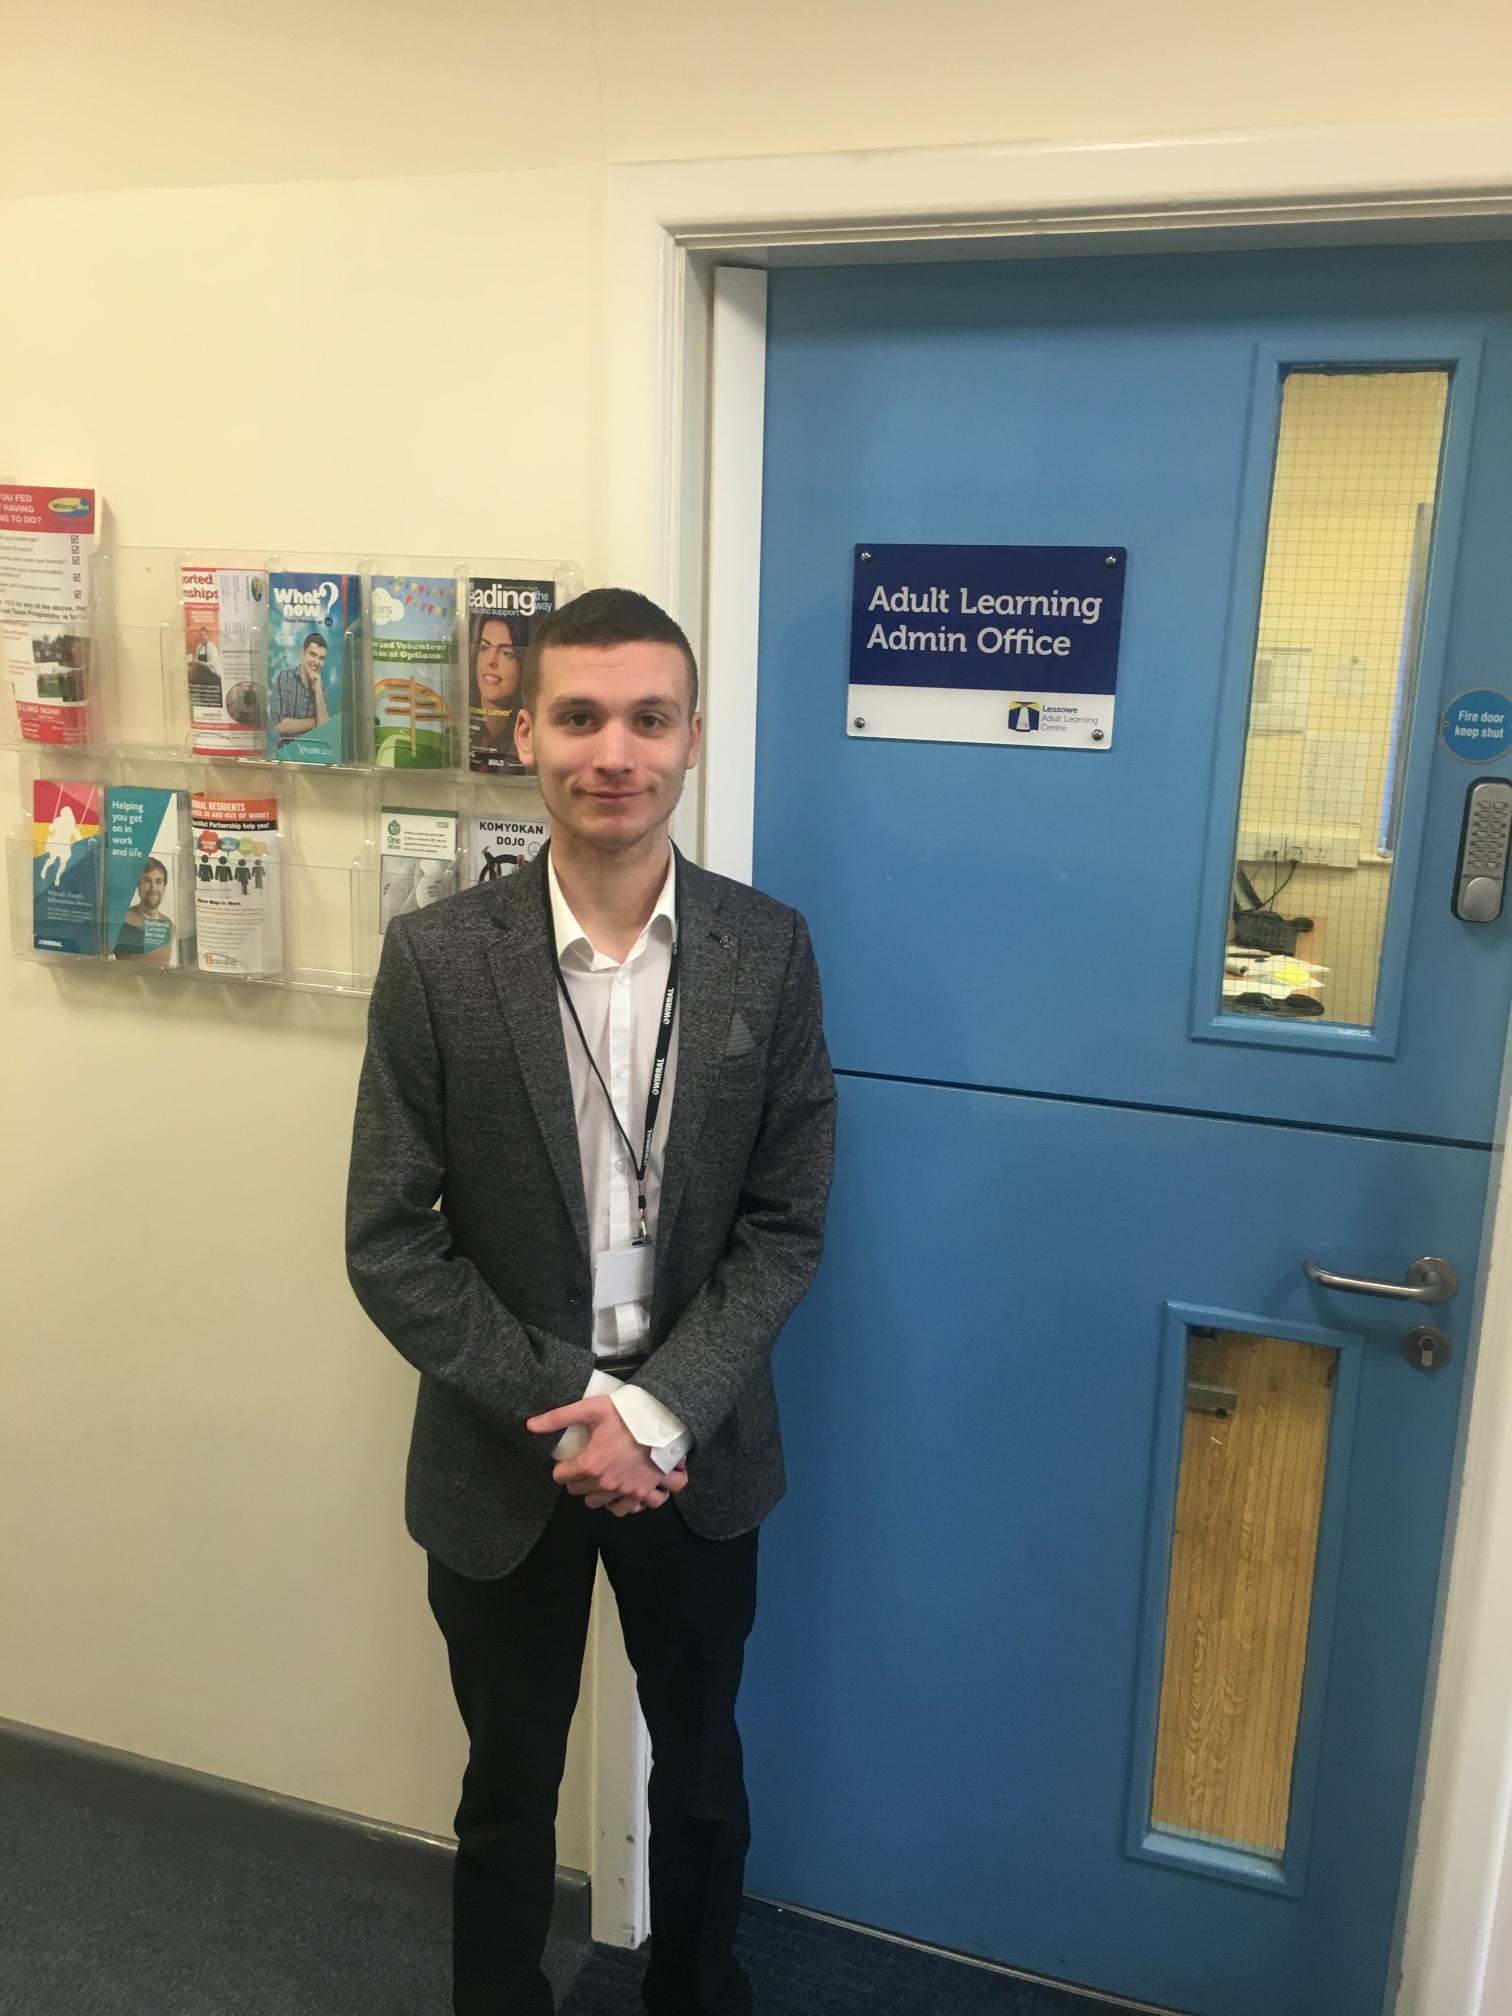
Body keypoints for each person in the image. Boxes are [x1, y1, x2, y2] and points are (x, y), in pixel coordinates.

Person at [346, 587, 836, 2016]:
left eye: (647, 718)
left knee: (701, 1778)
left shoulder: (769, 950)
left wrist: (661, 1407)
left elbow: (788, 1220)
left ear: (690, 739)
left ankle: (695, 1993)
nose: (612, 750)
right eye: (578, 717)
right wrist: (574, 1411)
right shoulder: (438, 960)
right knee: (506, 1787)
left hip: (702, 1447)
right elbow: (391, 1238)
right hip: (509, 1450)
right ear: (525, 735)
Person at [467, 608, 528, 773]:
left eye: (507, 653)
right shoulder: (467, 729)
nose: (491, 662)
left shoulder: (525, 741)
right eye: (484, 648)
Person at [271, 630, 330, 748]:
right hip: (286, 753)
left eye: (321, 658)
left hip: (312, 753)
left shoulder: (321, 687)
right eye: (312, 654)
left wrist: (318, 691)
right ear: (302, 653)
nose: (316, 662)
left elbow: (325, 731)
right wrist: (314, 723)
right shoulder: (285, 677)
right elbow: (280, 725)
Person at [113, 856, 175, 963]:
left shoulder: (170, 926)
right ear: (138, 886)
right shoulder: (120, 919)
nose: (153, 888)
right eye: (147, 881)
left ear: (164, 887)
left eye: (158, 881)